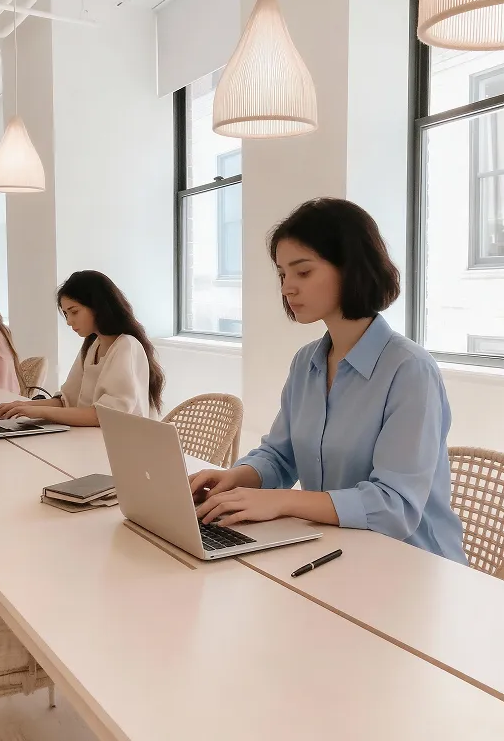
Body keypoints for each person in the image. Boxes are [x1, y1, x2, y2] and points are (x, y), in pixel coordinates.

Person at [192, 198, 467, 564]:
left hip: (414, 565)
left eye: (302, 272)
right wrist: (237, 478)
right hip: (335, 552)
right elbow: (280, 455)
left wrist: (281, 501)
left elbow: (394, 506)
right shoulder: (307, 361)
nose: (287, 288)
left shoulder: (409, 369)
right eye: (282, 275)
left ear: (351, 269)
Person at [0, 270, 164, 427]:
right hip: (95, 440)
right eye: (66, 314)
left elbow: (105, 416)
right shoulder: (93, 345)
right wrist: (22, 406)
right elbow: (67, 400)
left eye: (74, 312)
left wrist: (38, 411)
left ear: (98, 307)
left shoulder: (126, 345)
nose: (69, 321)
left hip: (125, 446)